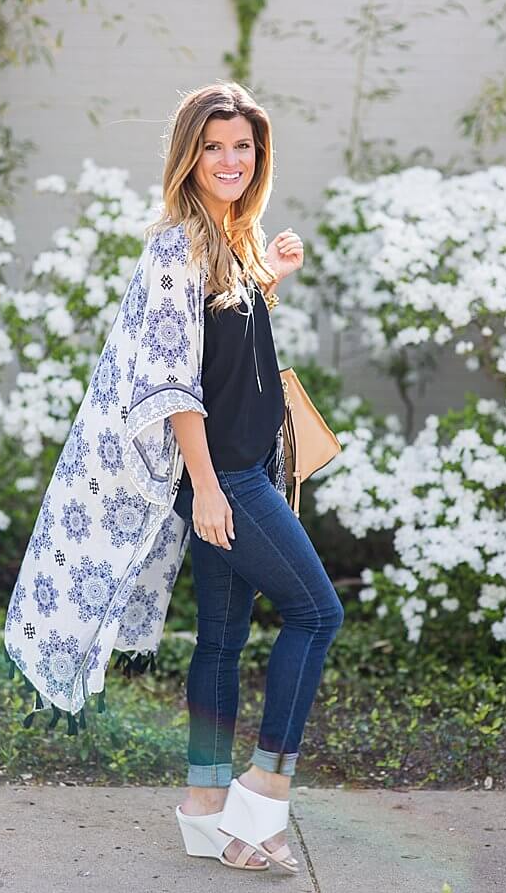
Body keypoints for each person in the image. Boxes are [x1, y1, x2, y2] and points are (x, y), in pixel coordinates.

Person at [163, 82, 345, 873]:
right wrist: (205, 485)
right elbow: (173, 383)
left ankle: (206, 805)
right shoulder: (178, 245)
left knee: (221, 640)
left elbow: (222, 350)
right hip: (228, 478)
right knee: (317, 612)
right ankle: (262, 796)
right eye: (214, 146)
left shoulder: (228, 238)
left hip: (234, 470)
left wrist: (266, 275)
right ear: (189, 155)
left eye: (243, 146)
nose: (230, 159)